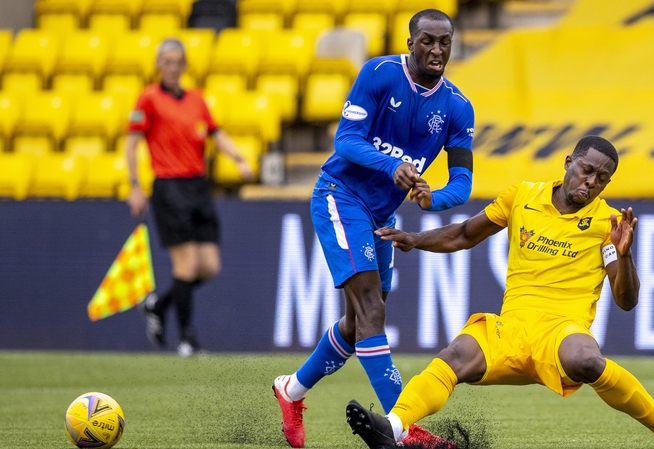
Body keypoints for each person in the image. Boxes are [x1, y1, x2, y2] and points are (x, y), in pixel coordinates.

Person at [346, 135, 654, 449]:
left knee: (586, 359)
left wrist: (624, 257)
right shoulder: (522, 197)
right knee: (456, 354)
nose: (591, 182)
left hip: (561, 332)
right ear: (567, 163)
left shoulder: (606, 225)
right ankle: (392, 430)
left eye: (602, 178)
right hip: (510, 331)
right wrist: (415, 238)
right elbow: (464, 234)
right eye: (587, 170)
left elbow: (626, 301)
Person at [271, 8, 475, 448]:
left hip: (382, 216)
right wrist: (393, 165)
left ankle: (290, 391)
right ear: (410, 43)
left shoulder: (458, 107)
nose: (437, 50)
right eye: (428, 41)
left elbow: (463, 183)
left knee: (356, 323)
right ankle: (404, 430)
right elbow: (345, 139)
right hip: (339, 196)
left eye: (445, 42)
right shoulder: (379, 74)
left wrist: (430, 197)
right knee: (371, 313)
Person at [126, 37, 254, 357]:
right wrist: (134, 185)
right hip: (169, 187)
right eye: (166, 61)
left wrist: (238, 158)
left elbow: (215, 133)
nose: (172, 67)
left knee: (209, 266)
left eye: (177, 61)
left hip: (197, 186)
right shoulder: (148, 99)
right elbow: (131, 143)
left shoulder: (196, 99)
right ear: (158, 65)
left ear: (184, 65)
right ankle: (186, 339)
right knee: (188, 264)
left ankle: (159, 303)